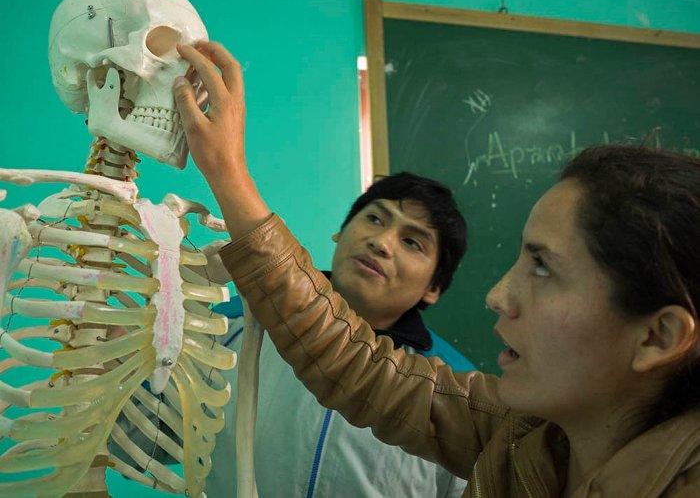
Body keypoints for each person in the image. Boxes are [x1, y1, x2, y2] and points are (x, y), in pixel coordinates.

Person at [173, 41, 700, 497]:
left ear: (658, 335)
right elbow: (350, 363)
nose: (497, 296)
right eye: (374, 218)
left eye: (542, 268)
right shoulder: (521, 433)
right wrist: (227, 172)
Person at [207, 172, 475, 497]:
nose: (382, 242)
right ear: (340, 232)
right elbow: (148, 437)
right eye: (375, 218)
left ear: (434, 287)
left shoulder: (455, 394)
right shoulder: (235, 323)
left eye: (412, 242)